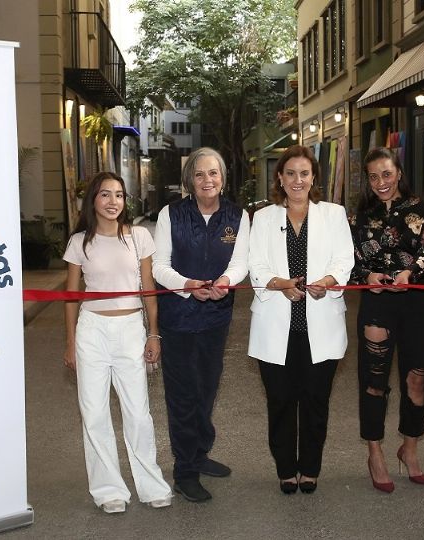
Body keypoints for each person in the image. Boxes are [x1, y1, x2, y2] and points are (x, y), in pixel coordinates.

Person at [62, 171, 173, 513]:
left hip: (130, 330)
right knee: (94, 413)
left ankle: (151, 484)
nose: (113, 202)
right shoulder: (79, 241)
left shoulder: (139, 236)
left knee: (137, 412)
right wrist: (70, 342)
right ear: (93, 200)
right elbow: (70, 296)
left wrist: (153, 332)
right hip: (91, 331)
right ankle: (108, 489)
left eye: (119, 195)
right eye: (106, 195)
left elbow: (149, 290)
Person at [247, 145, 353, 495]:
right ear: (280, 177)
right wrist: (279, 284)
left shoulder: (334, 215)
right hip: (276, 326)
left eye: (304, 173)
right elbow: (257, 266)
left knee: (314, 402)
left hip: (319, 326)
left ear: (313, 178)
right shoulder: (262, 219)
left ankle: (309, 468)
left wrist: (327, 282)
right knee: (279, 402)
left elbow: (344, 260)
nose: (297, 180)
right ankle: (285, 470)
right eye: (290, 173)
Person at [152, 147, 250, 503]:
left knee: (207, 387)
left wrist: (225, 280)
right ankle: (185, 470)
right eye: (199, 174)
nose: (207, 180)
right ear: (189, 181)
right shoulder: (171, 214)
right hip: (179, 316)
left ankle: (200, 451)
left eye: (214, 173)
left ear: (222, 178)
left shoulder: (237, 216)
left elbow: (242, 263)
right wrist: (188, 286)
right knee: (183, 394)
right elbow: (159, 266)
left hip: (216, 316)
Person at [350, 147, 424, 493]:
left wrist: (410, 273)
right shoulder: (360, 215)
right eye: (373, 176)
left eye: (386, 174)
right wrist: (367, 277)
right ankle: (375, 453)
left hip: (416, 302)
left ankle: (410, 448)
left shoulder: (422, 209)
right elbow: (352, 260)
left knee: (417, 379)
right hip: (376, 306)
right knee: (373, 381)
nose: (381, 182)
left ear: (398, 173)